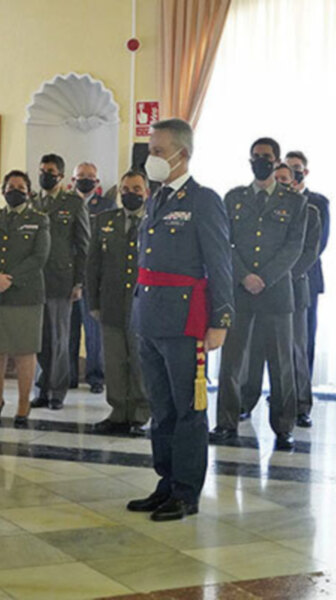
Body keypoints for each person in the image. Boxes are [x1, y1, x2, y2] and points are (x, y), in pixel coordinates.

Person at [127, 118, 233, 521]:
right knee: (162, 406)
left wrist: (221, 319)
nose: (149, 158)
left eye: (156, 151)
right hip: (151, 317)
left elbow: (219, 264)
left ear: (180, 154)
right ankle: (166, 482)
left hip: (186, 319)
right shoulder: (156, 199)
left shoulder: (203, 200)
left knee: (189, 409)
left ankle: (186, 492)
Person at [211, 138, 307, 451]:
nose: (259, 161)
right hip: (239, 291)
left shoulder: (295, 202)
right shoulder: (234, 198)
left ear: (277, 161)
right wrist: (244, 276)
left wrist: (263, 277)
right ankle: (225, 422)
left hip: (277, 293)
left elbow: (294, 247)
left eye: (265, 157)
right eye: (255, 157)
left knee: (281, 365)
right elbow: (224, 242)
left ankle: (283, 428)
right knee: (232, 362)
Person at [240, 164, 321, 427]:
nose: (281, 183)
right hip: (258, 290)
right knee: (253, 351)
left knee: (293, 352)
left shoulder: (310, 209)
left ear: (295, 180)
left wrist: (278, 275)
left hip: (292, 289)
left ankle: (299, 405)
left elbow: (308, 251)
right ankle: (245, 402)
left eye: (285, 179)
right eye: (277, 179)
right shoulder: (260, 206)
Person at [0, 170, 50, 428]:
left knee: (24, 351)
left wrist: (10, 279)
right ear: (3, 190)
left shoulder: (39, 220)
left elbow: (39, 257)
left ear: (29, 192)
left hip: (24, 294)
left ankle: (23, 403)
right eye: (11, 186)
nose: (15, 190)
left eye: (21, 187)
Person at [87, 169, 151, 436]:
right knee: (114, 360)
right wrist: (93, 302)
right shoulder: (104, 221)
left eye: (136, 189)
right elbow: (93, 265)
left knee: (138, 361)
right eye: (126, 189)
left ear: (147, 192)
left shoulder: (154, 220)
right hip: (111, 301)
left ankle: (139, 413)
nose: (130, 194)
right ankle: (118, 411)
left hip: (142, 305)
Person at [31, 154, 90, 410]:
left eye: (51, 171)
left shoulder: (73, 204)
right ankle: (41, 389)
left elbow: (84, 246)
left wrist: (79, 282)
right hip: (34, 281)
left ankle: (57, 392)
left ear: (62, 176)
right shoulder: (33, 202)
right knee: (39, 339)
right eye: (43, 170)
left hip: (61, 280)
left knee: (59, 339)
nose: (46, 175)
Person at [68, 161, 113, 394]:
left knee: (94, 333)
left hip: (95, 279)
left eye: (90, 177)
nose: (85, 180)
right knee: (68, 331)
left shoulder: (107, 206)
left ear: (97, 182)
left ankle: (96, 377)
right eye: (80, 176)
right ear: (72, 181)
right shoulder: (64, 205)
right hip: (68, 277)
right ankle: (69, 377)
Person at [285, 151, 330, 378]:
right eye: (287, 167)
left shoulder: (318, 202)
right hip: (277, 280)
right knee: (278, 340)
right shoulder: (277, 201)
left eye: (297, 167)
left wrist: (291, 270)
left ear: (305, 171)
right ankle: (281, 393)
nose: (293, 172)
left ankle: (302, 397)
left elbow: (318, 244)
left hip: (306, 278)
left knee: (304, 338)